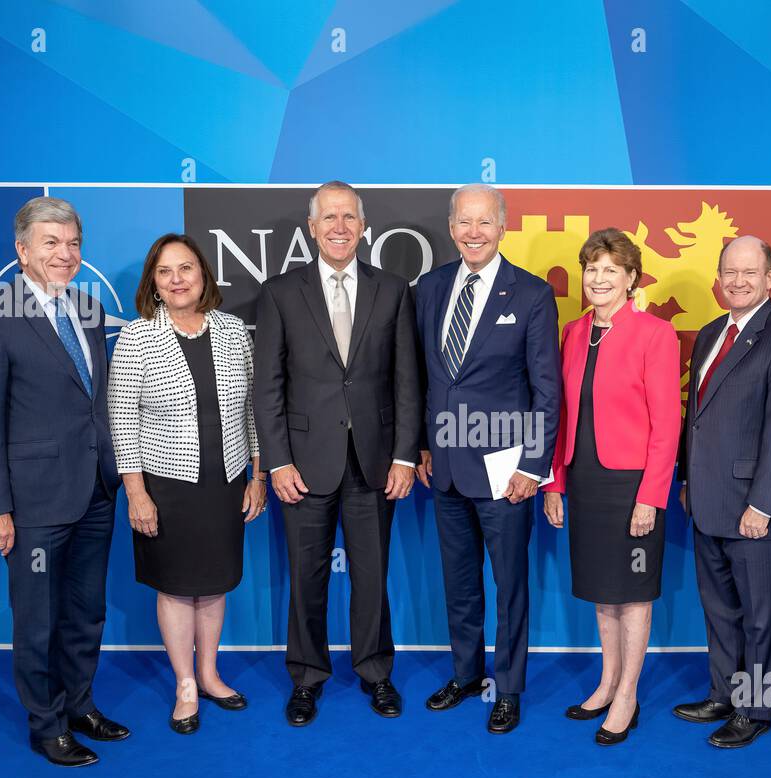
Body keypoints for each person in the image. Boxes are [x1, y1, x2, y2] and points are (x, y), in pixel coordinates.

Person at [0, 197, 127, 767]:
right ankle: (46, 724)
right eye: (51, 243)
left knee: (86, 611)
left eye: (73, 243)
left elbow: (92, 403)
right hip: (32, 504)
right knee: (38, 620)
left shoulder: (86, 307)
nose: (65, 253)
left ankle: (81, 706)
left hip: (95, 491)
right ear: (22, 250)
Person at [252, 181, 421, 727]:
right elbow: (268, 386)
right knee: (307, 574)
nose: (340, 226)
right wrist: (276, 461)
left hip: (375, 462)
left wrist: (403, 455)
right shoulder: (280, 292)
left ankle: (376, 672)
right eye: (329, 217)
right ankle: (306, 677)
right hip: (302, 464)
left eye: (349, 216)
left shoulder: (393, 290)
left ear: (363, 226)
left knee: (372, 574)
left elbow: (407, 383)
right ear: (312, 227)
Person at [415, 183, 562, 734]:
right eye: (463, 222)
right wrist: (420, 446)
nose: (473, 233)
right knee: (460, 580)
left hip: (506, 469)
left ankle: (509, 687)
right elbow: (421, 377)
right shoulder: (428, 288)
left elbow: (547, 390)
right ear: (451, 227)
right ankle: (465, 673)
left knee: (509, 584)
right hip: (446, 467)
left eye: (484, 222)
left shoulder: (530, 294)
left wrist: (533, 466)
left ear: (503, 227)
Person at [108, 233, 265, 735]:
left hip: (225, 482)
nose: (177, 280)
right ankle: (184, 685)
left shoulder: (234, 330)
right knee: (176, 588)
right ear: (153, 282)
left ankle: (210, 673)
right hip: (166, 487)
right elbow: (122, 418)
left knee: (214, 584)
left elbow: (253, 411)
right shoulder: (137, 337)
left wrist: (257, 473)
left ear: (204, 277)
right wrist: (136, 493)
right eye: (165, 271)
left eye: (187, 269)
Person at [673, 236, 771, 748]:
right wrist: (689, 477)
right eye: (729, 272)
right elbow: (699, 420)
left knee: (761, 618)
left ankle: (756, 707)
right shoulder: (714, 331)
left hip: (758, 510)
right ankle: (724, 694)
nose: (737, 281)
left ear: (770, 278)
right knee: (720, 610)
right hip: (709, 502)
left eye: (749, 272)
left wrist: (762, 503)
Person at [542, 229, 680, 745]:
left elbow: (668, 425)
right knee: (603, 592)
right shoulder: (574, 331)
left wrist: (651, 496)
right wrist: (554, 481)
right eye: (591, 269)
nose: (598, 279)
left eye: (609, 271)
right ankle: (606, 682)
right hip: (585, 478)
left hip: (632, 483)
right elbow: (562, 415)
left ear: (630, 279)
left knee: (633, 593)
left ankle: (628, 694)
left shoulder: (654, 334)